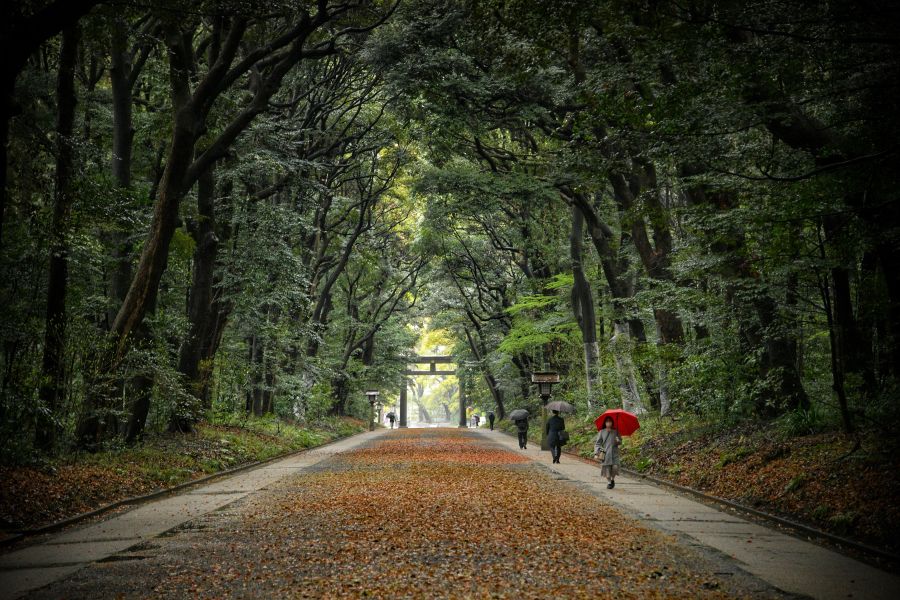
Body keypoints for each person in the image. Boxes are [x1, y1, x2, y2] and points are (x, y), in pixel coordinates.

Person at [594, 416, 622, 489]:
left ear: (612, 422)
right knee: (607, 470)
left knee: (615, 467)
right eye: (607, 421)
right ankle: (609, 482)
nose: (608, 423)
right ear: (605, 423)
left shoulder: (616, 431)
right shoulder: (602, 432)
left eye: (610, 421)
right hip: (605, 453)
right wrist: (597, 452)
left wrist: (618, 441)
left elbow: (620, 442)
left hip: (614, 453)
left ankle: (612, 479)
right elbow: (598, 443)